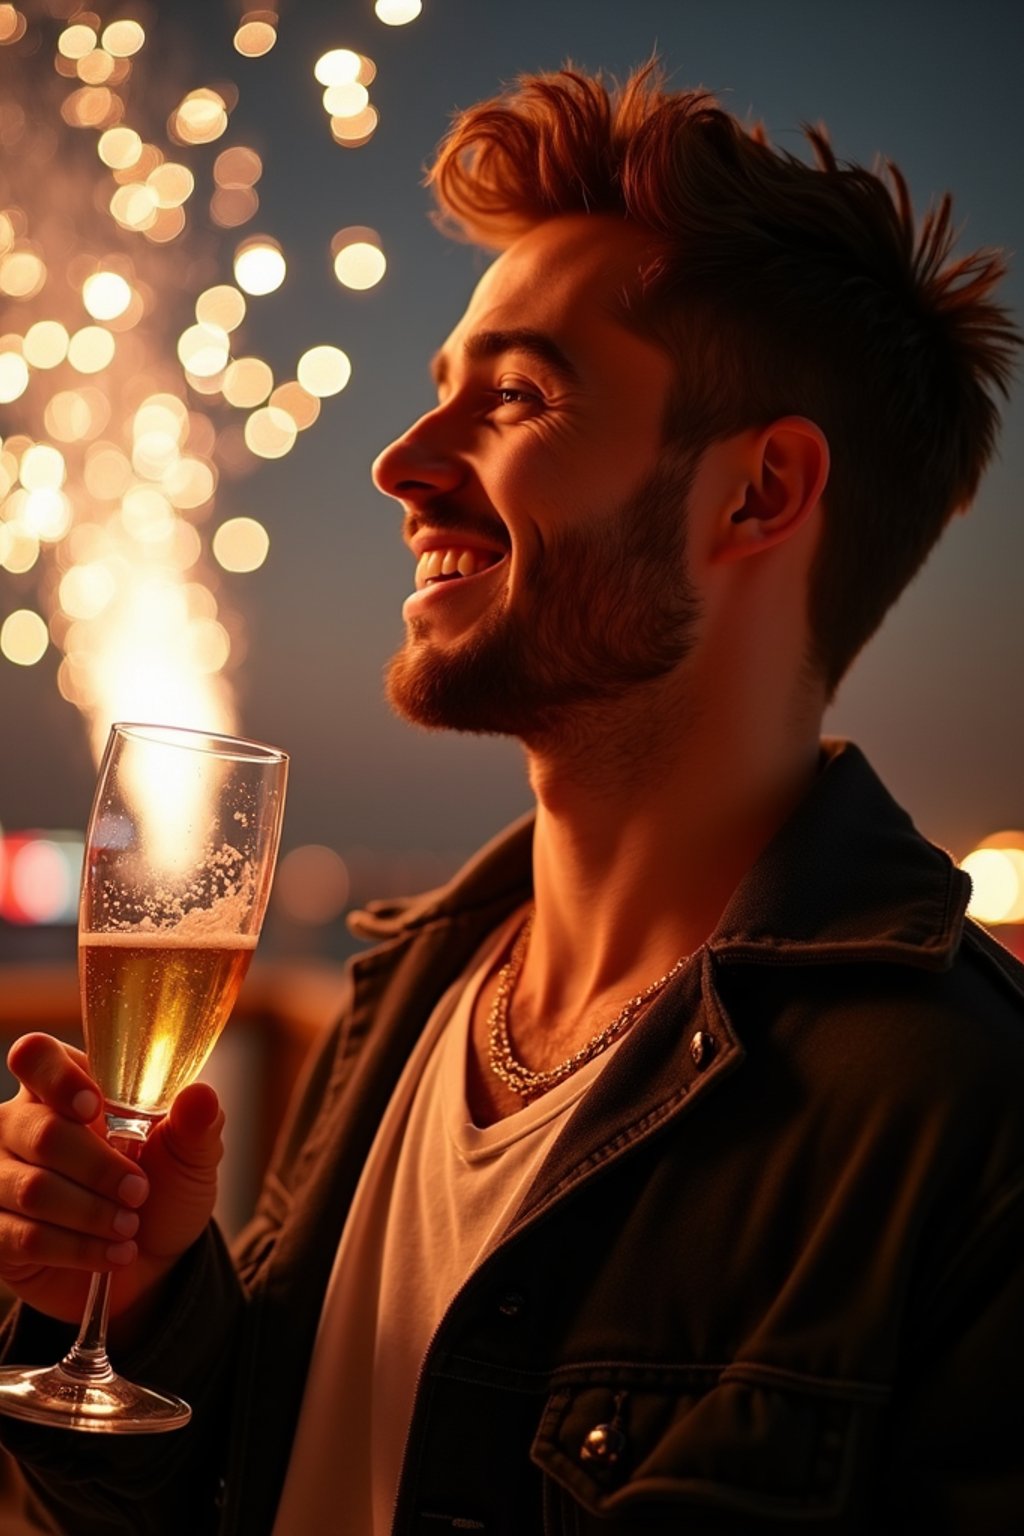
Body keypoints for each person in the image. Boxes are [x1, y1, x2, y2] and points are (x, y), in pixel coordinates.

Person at [0, 62, 1021, 1536]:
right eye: (440, 401)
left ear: (757, 497)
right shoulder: (397, 1000)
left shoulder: (963, 1129)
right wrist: (150, 1306)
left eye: (520, 399)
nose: (403, 467)